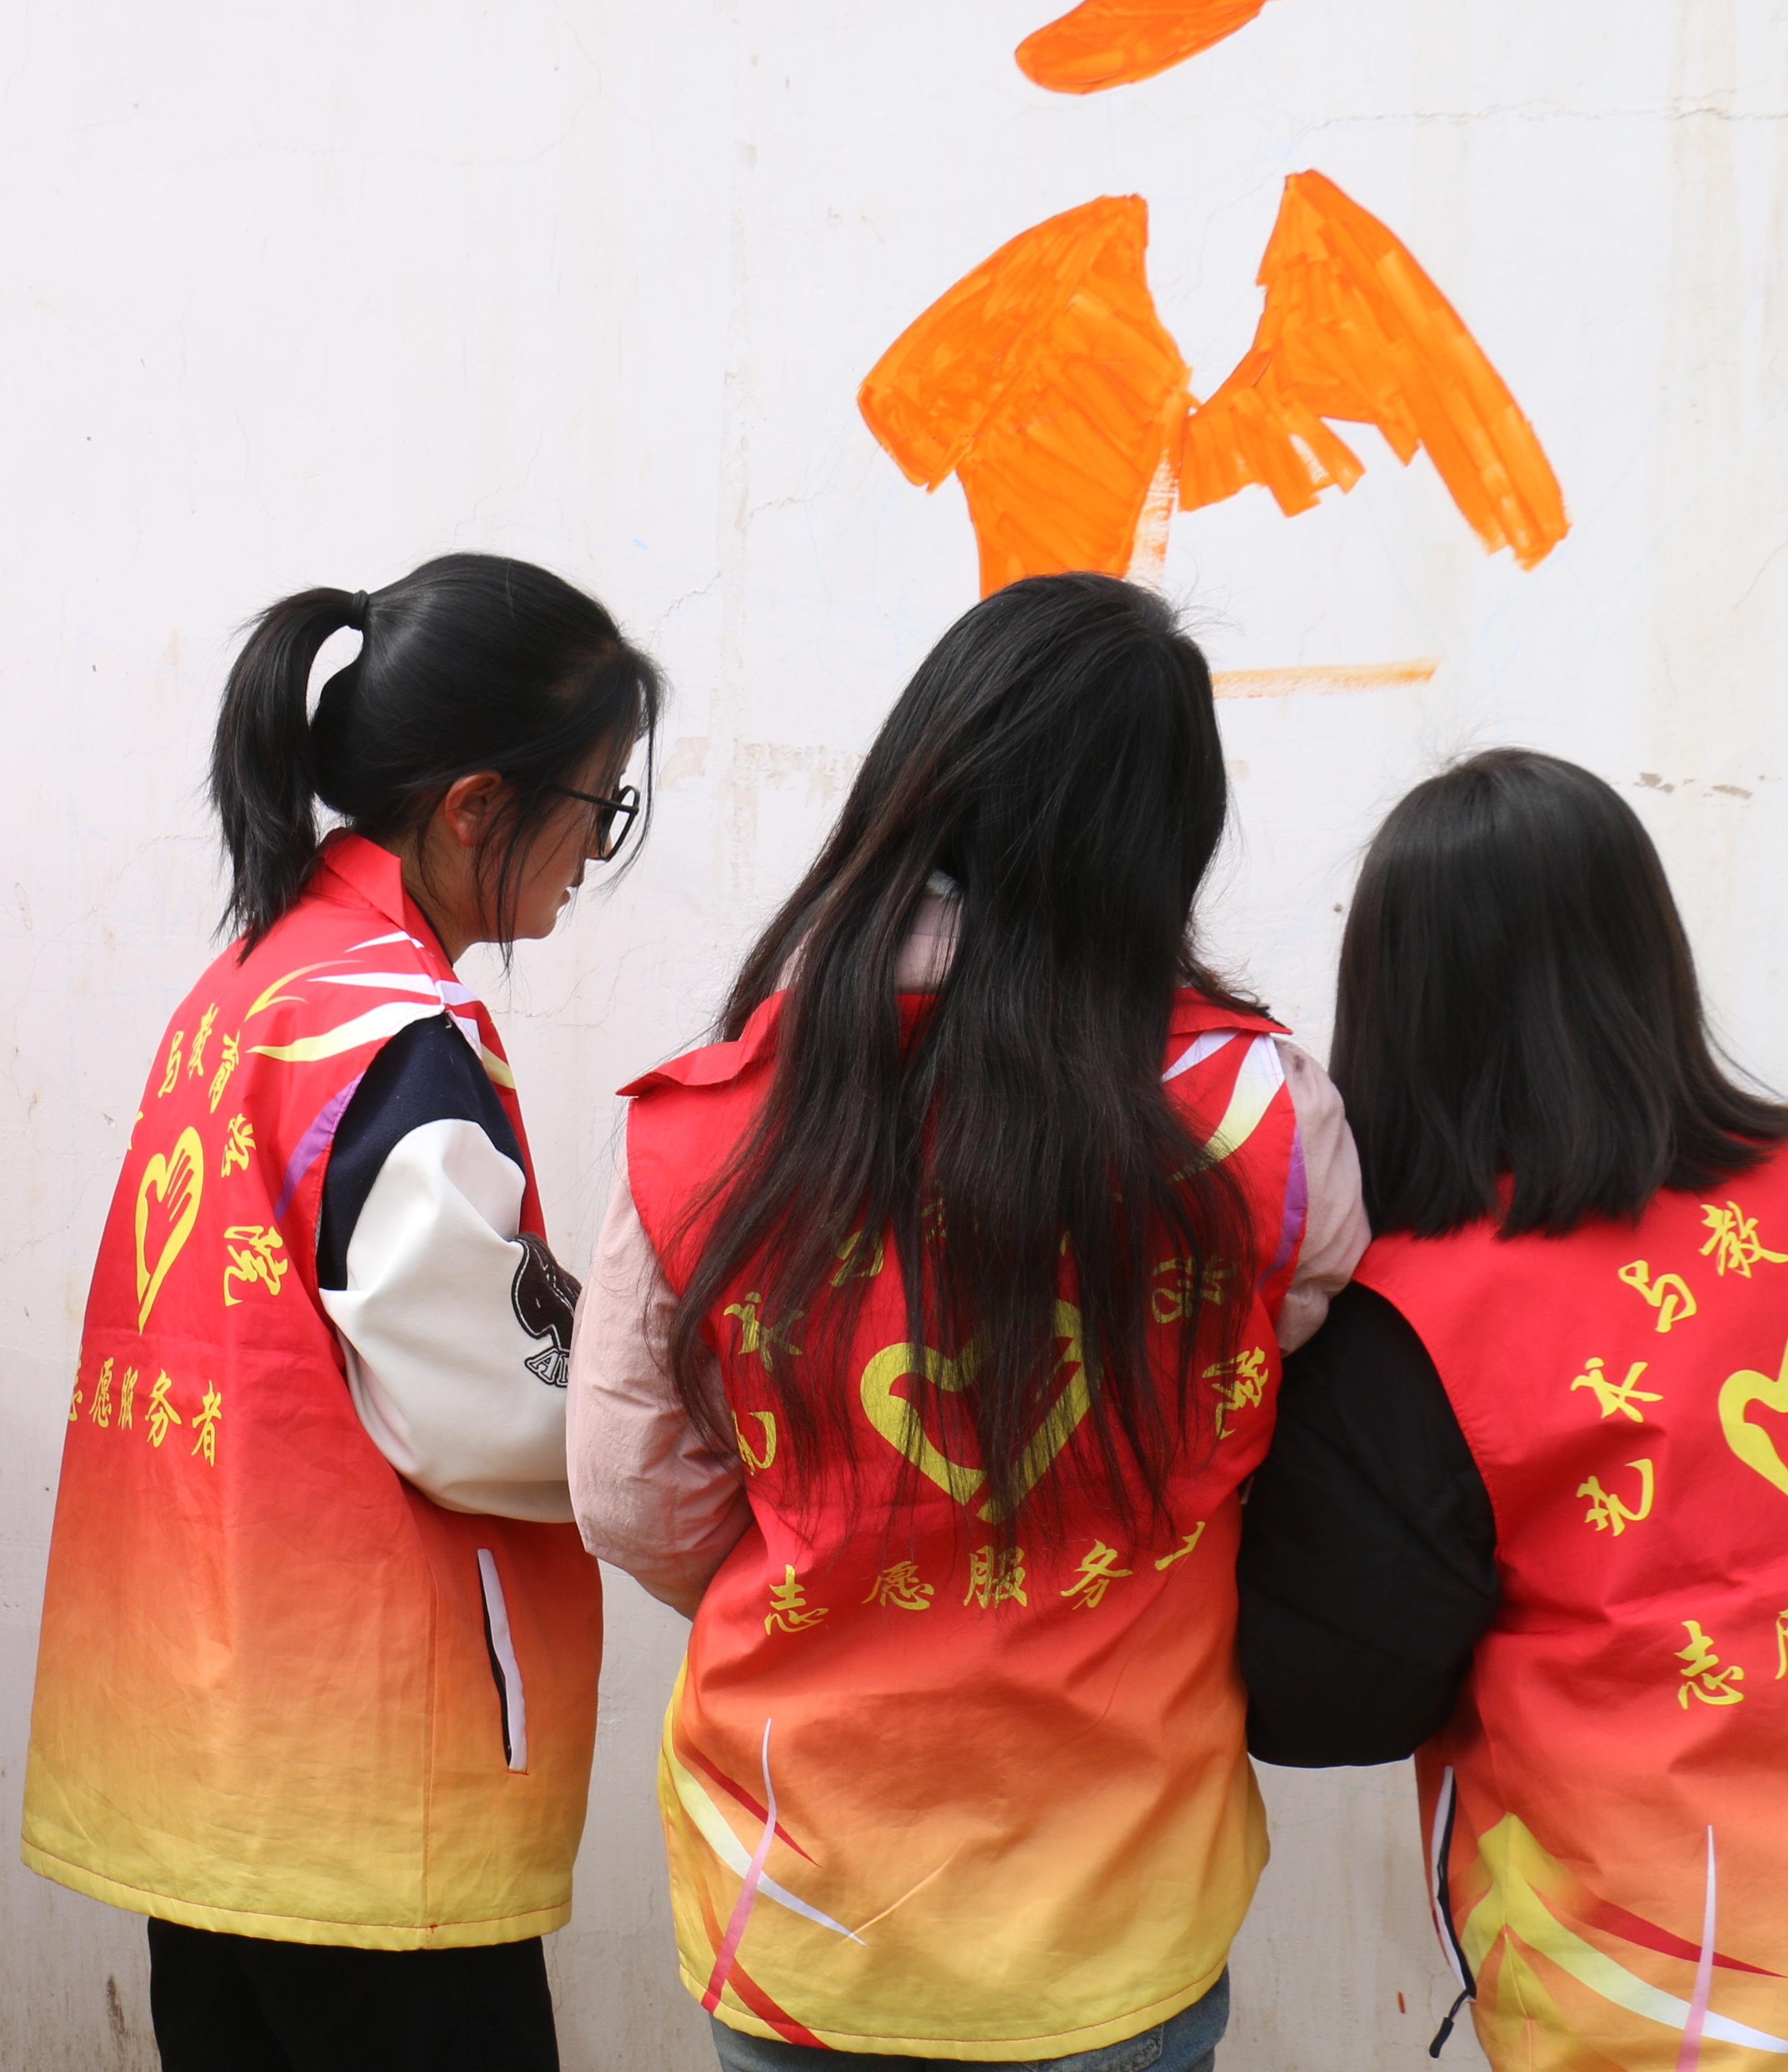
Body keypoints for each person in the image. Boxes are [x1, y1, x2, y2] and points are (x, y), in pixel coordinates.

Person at [571, 574, 1364, 2068]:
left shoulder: (711, 1119)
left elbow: (632, 1497)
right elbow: (1296, 1332)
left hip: (802, 1902)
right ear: (1163, 837)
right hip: (1118, 1912)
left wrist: (839, 1560)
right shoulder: (1261, 1116)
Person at [1234, 747, 1788, 2070]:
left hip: (1680, 2002)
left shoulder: (1413, 1325)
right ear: (1645, 959)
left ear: (1400, 1004)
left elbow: (1332, 1703)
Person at [22, 552, 663, 2070]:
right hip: (360, 1793)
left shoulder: (252, 984)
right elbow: (482, 1403)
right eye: (600, 806)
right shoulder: (394, 1026)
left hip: (205, 1747)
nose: (597, 853)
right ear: (477, 806)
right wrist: (695, 1399)